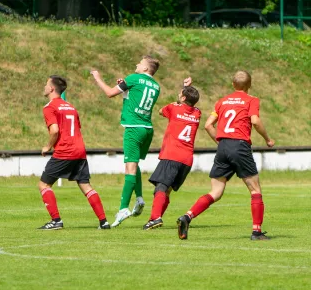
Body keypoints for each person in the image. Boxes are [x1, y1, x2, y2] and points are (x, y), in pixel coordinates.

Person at [176, 70, 274, 241]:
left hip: (223, 147)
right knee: (255, 190)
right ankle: (256, 232)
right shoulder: (251, 100)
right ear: (249, 85)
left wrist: (221, 144)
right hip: (240, 146)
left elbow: (208, 125)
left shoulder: (222, 101)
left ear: (232, 84)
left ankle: (187, 216)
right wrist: (268, 139)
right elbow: (255, 121)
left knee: (216, 192)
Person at [90, 55, 161, 227]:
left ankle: (123, 208)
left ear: (145, 69)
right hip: (147, 129)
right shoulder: (156, 86)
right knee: (134, 164)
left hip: (133, 128)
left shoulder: (134, 78)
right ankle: (139, 198)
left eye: (140, 63)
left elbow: (109, 93)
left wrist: (97, 78)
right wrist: (126, 87)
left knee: (129, 167)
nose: (136, 64)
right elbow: (135, 95)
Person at [37, 75, 110, 230]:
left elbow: (55, 130)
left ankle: (56, 221)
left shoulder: (49, 107)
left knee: (44, 184)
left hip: (65, 151)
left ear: (51, 88)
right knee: (86, 185)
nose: (44, 86)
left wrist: (48, 146)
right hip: (79, 150)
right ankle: (104, 222)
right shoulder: (70, 107)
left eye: (46, 84)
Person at [143, 77, 201, 230]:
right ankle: (154, 219)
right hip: (186, 159)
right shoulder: (197, 113)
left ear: (182, 98)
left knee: (160, 188)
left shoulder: (173, 108)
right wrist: (187, 88)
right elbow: (189, 101)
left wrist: (183, 90)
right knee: (167, 190)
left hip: (172, 155)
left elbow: (161, 111)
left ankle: (155, 218)